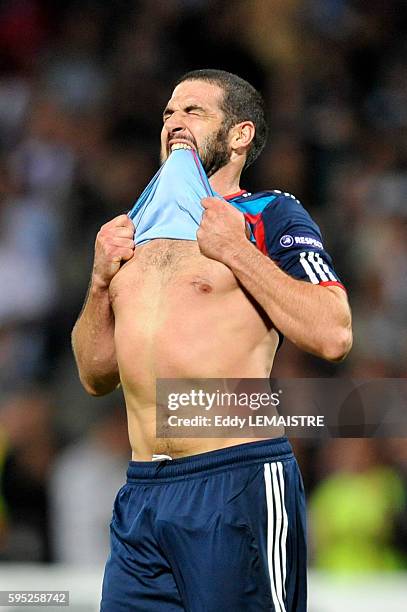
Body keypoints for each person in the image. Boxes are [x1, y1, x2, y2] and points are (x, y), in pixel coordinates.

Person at [72, 69, 352, 611]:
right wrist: (99, 280)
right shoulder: (134, 231)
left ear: (240, 134)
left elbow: (333, 331)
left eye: (193, 112)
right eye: (169, 113)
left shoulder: (270, 214)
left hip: (236, 479)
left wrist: (237, 250)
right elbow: (93, 375)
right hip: (142, 492)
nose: (174, 122)